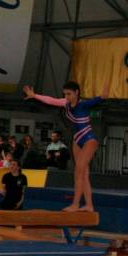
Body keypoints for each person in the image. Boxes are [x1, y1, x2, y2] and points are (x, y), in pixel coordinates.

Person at [24, 81, 109, 212]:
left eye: (69, 94)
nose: (67, 97)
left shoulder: (84, 104)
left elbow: (102, 97)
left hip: (89, 140)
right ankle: (89, 205)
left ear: (77, 92)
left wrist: (105, 87)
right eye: (65, 94)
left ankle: (75, 204)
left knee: (78, 172)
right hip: (77, 140)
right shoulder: (66, 104)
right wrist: (35, 95)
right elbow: (51, 100)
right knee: (84, 174)